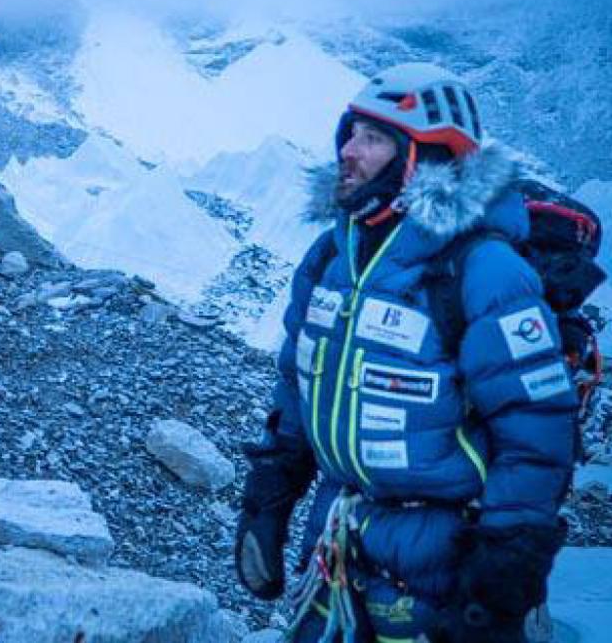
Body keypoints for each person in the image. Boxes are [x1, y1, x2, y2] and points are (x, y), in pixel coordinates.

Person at [235, 63, 578, 643]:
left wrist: (504, 575)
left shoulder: (482, 267)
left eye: (372, 138)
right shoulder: (330, 257)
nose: (348, 150)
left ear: (428, 157)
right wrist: (270, 493)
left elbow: (537, 430)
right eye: (349, 132)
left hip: (445, 560)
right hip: (338, 541)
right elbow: (298, 383)